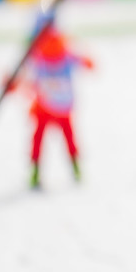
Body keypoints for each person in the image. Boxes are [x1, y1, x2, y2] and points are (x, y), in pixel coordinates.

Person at [16, 25, 93, 190]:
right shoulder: (52, 58)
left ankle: (66, 169)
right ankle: (68, 168)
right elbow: (88, 63)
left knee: (53, 139)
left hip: (51, 109)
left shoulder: (45, 58)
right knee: (53, 139)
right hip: (50, 108)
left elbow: (88, 63)